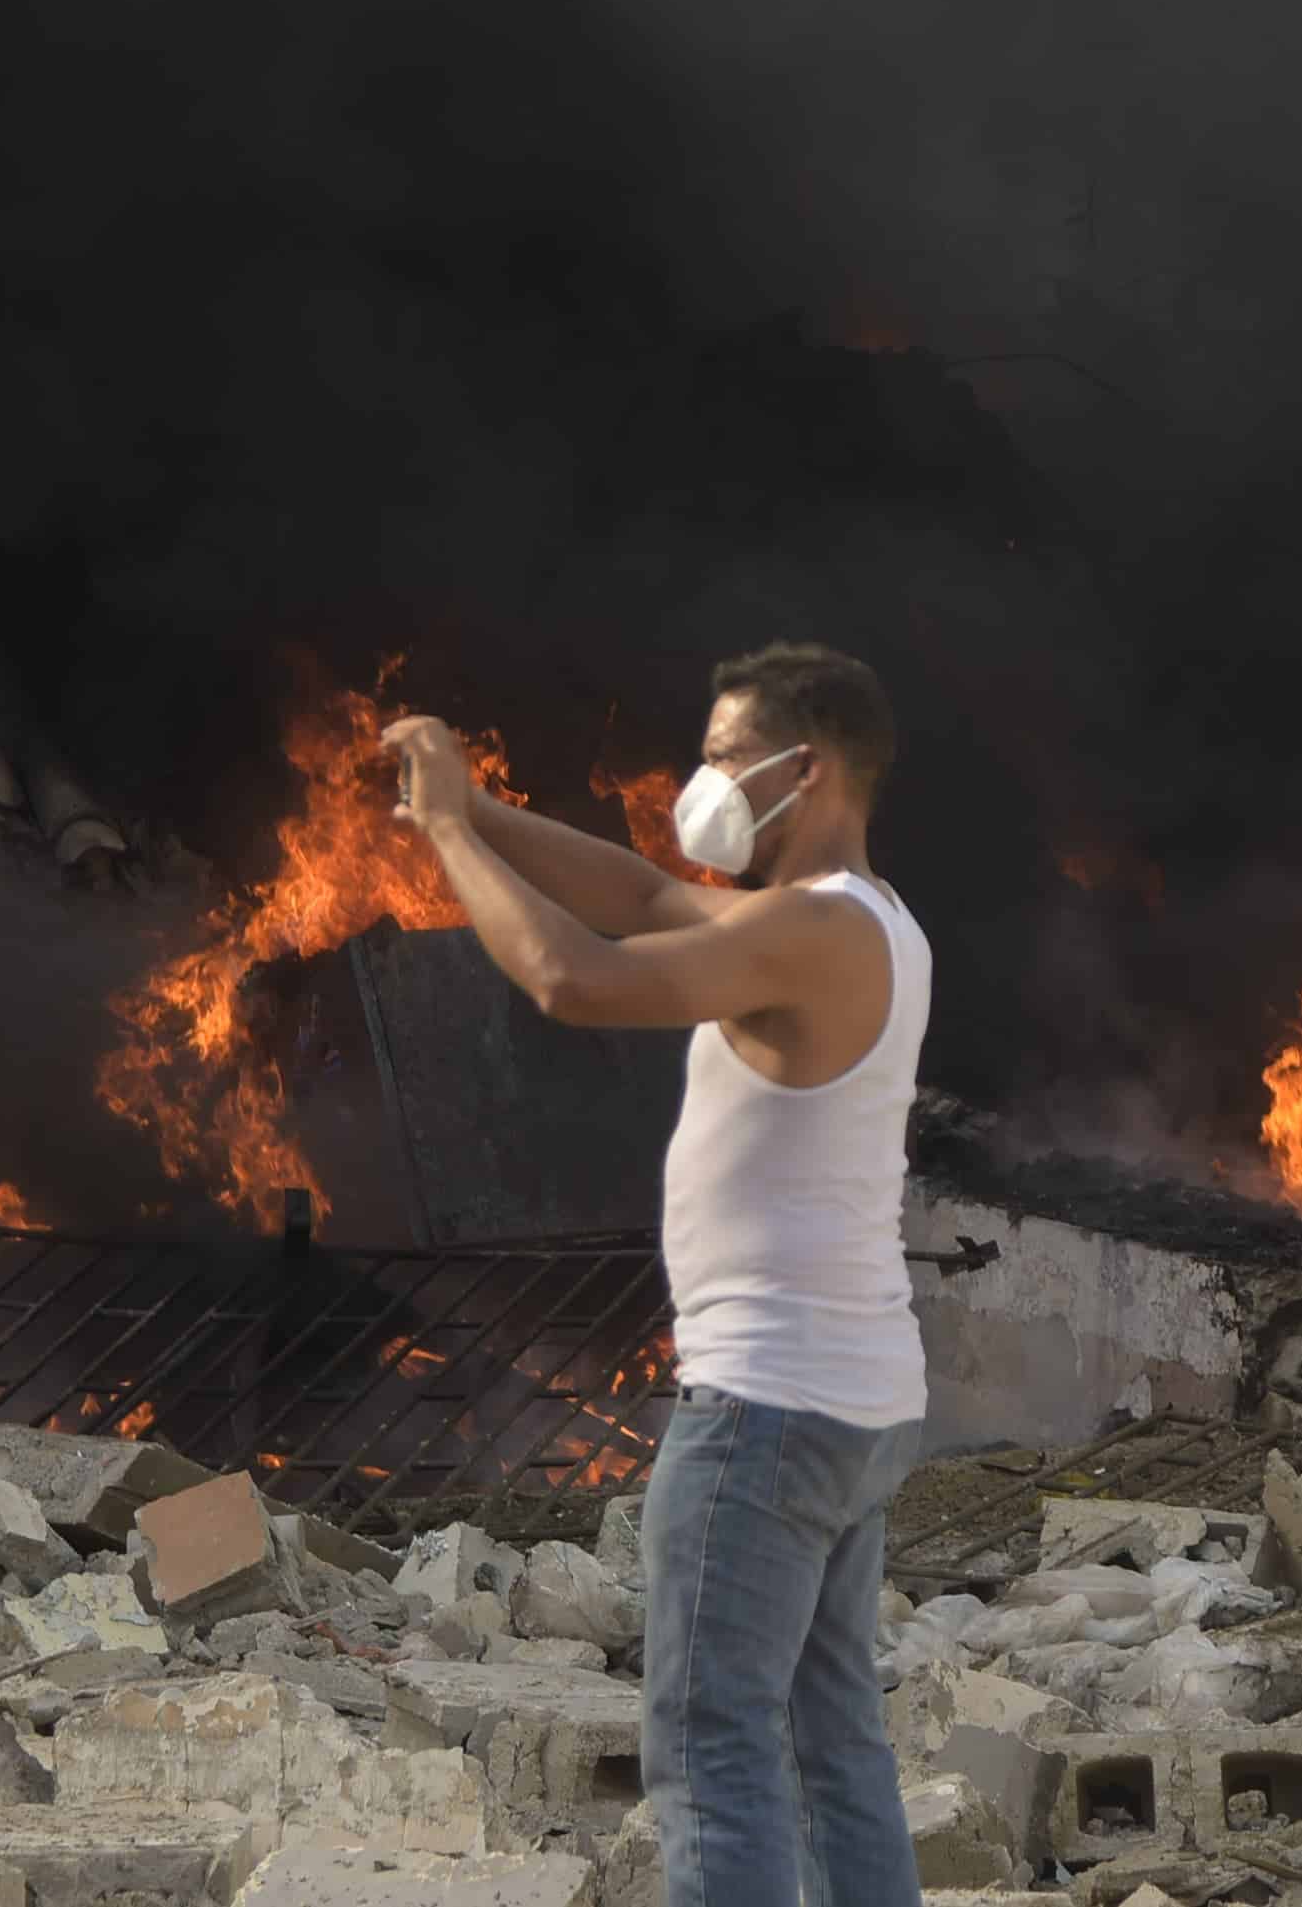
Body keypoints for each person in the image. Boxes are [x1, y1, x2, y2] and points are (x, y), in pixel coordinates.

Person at [382, 641, 930, 1907]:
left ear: (813, 765)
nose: (707, 782)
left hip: (762, 1411)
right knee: (827, 1739)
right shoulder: (866, 923)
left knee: (709, 1744)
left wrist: (456, 849)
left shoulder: (805, 926)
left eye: (731, 757)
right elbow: (636, 892)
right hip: (846, 1399)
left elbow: (577, 975)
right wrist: (464, 808)